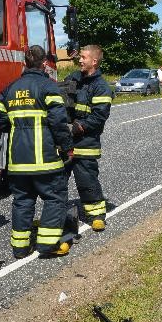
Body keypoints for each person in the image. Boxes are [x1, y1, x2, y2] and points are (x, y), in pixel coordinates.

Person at [0, 45, 73, 258]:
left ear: (24, 63)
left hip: (18, 162)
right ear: (44, 63)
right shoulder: (49, 87)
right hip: (45, 161)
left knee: (22, 202)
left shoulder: (9, 89)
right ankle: (47, 246)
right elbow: (58, 122)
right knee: (55, 198)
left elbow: (0, 120)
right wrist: (67, 148)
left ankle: (20, 248)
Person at [62, 45, 113, 231]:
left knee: (87, 181)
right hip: (65, 142)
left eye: (83, 57)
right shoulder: (72, 79)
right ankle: (55, 216)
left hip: (86, 143)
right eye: (80, 57)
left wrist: (78, 127)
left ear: (94, 61)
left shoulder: (101, 87)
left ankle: (97, 215)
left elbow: (99, 116)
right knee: (58, 182)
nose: (80, 60)